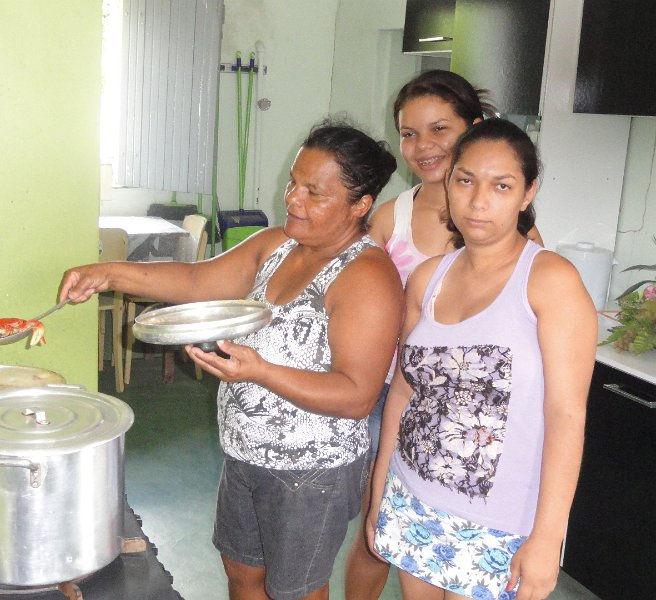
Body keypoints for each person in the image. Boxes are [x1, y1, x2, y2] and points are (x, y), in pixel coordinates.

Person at [59, 121, 404, 600]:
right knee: (243, 577)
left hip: (311, 473)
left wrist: (259, 371)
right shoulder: (278, 244)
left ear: (360, 205)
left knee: (296, 591)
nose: (293, 199)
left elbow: (356, 396)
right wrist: (106, 273)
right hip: (245, 452)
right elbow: (198, 282)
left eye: (314, 192)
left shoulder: (367, 277)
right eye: (292, 182)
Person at [366, 118, 597, 600]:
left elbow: (567, 415)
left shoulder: (550, 281)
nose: (478, 201)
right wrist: (379, 494)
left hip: (503, 521)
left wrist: (547, 538)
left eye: (502, 185)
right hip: (415, 498)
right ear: (448, 182)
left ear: (527, 193)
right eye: (465, 180)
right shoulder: (428, 279)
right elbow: (405, 392)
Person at [345, 70, 542, 599]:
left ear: (474, 129)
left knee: (453, 557)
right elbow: (354, 295)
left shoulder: (509, 225)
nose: (423, 146)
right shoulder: (391, 217)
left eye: (439, 129)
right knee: (374, 535)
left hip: (475, 418)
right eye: (409, 134)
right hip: (395, 392)